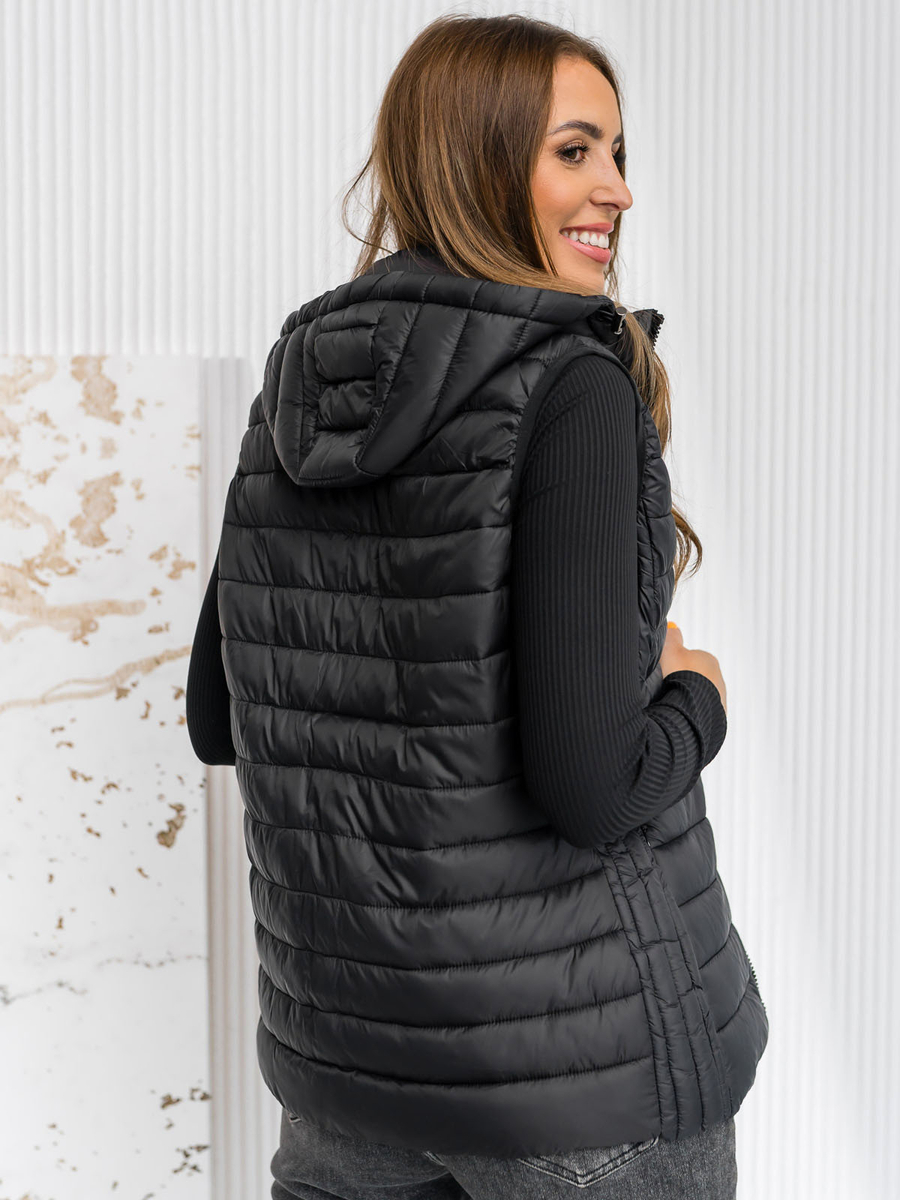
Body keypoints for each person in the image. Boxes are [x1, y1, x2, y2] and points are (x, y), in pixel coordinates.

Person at [186, 13, 768, 1199]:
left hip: (348, 1078)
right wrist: (696, 694)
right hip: (577, 1089)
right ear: (478, 160)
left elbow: (217, 716)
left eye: (617, 153)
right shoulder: (570, 386)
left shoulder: (306, 378)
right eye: (576, 151)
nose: (619, 189)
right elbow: (597, 789)